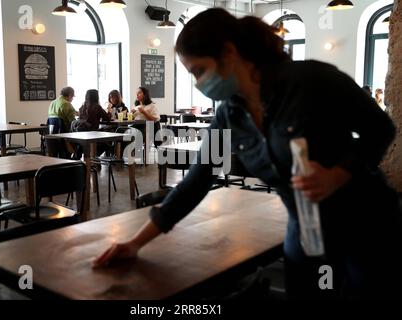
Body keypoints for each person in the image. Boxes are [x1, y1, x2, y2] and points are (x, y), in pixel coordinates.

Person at [92, 8, 402, 299]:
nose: (199, 83)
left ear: (229, 53)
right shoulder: (230, 115)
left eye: (200, 70)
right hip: (305, 230)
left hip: (364, 224)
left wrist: (339, 173)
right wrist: (135, 243)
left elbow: (381, 129)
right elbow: (196, 182)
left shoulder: (312, 80)